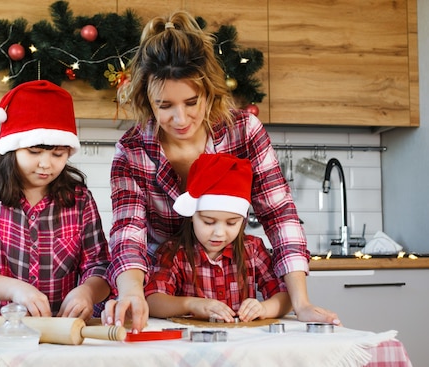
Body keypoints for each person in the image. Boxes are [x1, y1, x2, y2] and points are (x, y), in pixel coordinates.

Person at [103, 10, 339, 333]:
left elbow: (279, 215)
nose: (180, 118)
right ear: (147, 100)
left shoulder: (244, 131)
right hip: (162, 299)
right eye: (164, 105)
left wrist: (300, 302)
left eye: (191, 102)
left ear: (209, 91)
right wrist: (132, 292)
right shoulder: (132, 150)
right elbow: (128, 231)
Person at [0, 80, 111, 320]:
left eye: (58, 154)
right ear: (13, 149)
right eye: (34, 152)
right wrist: (14, 289)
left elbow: (100, 266)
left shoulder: (80, 199)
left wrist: (88, 292)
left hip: (60, 335)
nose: (46, 164)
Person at [145, 153, 291, 322]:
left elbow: (286, 297)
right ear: (192, 215)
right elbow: (153, 301)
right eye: (208, 222)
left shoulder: (252, 249)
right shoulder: (175, 252)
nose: (219, 233)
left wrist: (264, 308)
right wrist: (192, 304)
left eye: (231, 223)